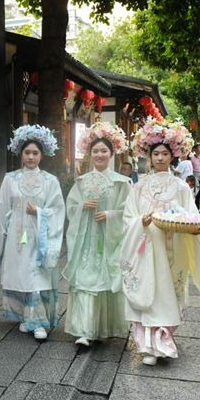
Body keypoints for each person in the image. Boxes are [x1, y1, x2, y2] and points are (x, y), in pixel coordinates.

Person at [121, 118, 200, 366]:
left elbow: (192, 216)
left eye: (164, 154)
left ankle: (164, 342)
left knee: (169, 293)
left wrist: (196, 230)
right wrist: (142, 221)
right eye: (155, 153)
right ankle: (148, 346)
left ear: (172, 157)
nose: (160, 158)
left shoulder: (181, 187)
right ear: (148, 157)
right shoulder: (139, 187)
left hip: (174, 250)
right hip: (146, 248)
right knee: (148, 290)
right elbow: (128, 218)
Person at [0, 125, 65, 341]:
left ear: (42, 155)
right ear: (20, 154)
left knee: (35, 277)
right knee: (21, 276)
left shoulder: (50, 181)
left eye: (35, 153)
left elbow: (58, 210)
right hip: (17, 236)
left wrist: (39, 212)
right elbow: (1, 209)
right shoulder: (11, 179)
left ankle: (37, 321)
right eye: (27, 153)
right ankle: (26, 316)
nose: (30, 157)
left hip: (39, 238)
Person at [63, 122, 131, 347]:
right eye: (95, 151)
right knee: (85, 281)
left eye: (104, 151)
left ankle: (102, 328)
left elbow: (129, 212)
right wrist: (82, 205)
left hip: (109, 241)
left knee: (104, 282)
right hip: (86, 242)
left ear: (112, 154)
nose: (99, 154)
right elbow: (70, 207)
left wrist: (111, 215)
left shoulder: (122, 183)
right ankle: (84, 330)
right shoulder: (81, 182)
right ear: (89, 154)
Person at [191, 143, 200, 207]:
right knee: (195, 193)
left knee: (199, 193)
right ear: (195, 149)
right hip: (194, 177)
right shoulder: (192, 158)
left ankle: (197, 208)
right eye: (199, 147)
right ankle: (194, 207)